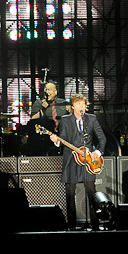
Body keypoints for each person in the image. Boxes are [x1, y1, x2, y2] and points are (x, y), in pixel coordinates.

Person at [49, 93, 107, 230]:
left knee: (92, 193)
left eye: (84, 104)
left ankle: (95, 224)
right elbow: (62, 139)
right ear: (72, 106)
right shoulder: (65, 120)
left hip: (88, 160)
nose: (82, 106)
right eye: (79, 103)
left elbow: (102, 139)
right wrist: (56, 141)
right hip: (71, 160)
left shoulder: (91, 119)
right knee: (70, 194)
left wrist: (97, 152)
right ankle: (72, 226)